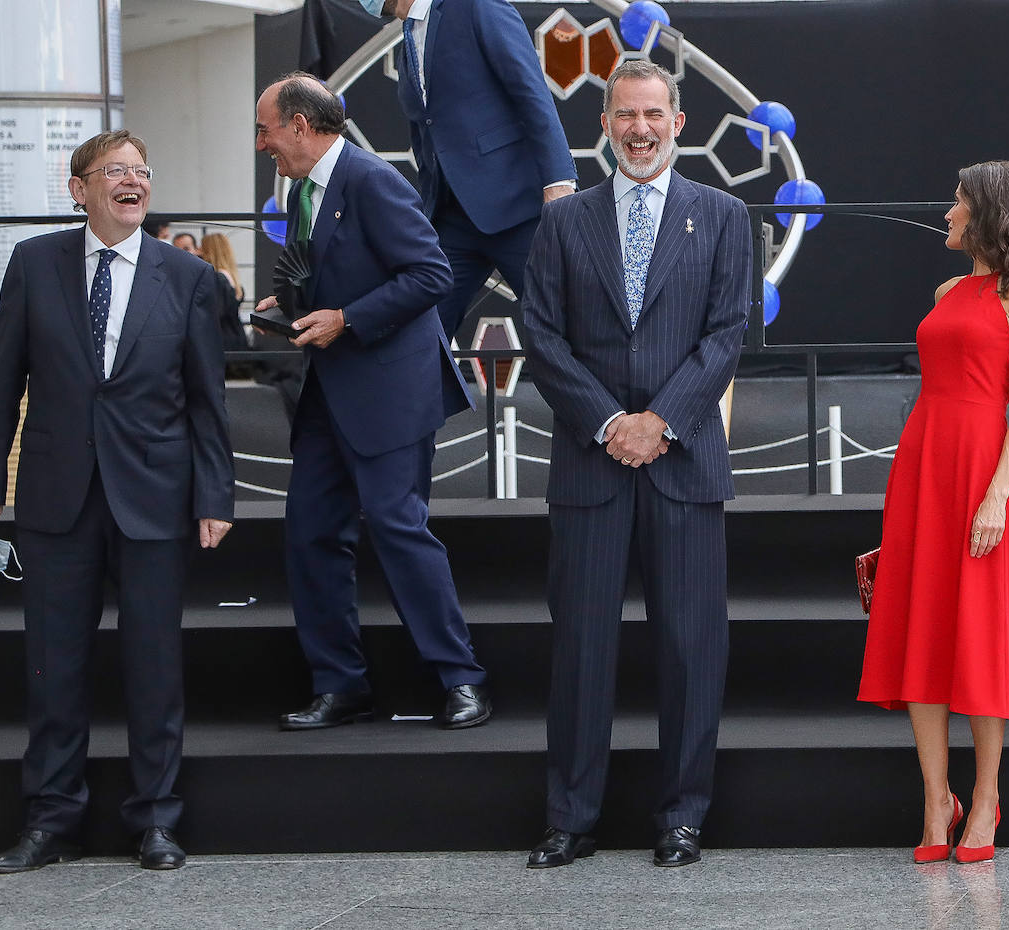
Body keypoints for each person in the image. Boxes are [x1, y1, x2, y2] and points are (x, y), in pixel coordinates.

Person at [0, 130, 235, 872]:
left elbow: (208, 401)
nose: (133, 181)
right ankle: (51, 822)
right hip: (57, 496)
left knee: (154, 664)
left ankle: (156, 819)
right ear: (78, 187)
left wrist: (215, 494)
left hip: (154, 495)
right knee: (54, 667)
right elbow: (5, 381)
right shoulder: (34, 264)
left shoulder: (186, 277)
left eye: (142, 171)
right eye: (115, 171)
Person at [522, 60, 750, 869]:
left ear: (679, 123)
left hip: (683, 464)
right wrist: (612, 422)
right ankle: (570, 818)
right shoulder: (561, 223)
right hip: (592, 466)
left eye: (654, 114)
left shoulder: (723, 216)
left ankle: (682, 817)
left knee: (692, 650)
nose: (640, 129)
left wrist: (661, 422)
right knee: (581, 649)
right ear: (606, 125)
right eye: (625, 116)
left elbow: (727, 334)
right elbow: (542, 339)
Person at [252, 73, 490, 731]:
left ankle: (461, 678)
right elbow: (325, 272)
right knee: (309, 535)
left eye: (265, 129)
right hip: (330, 395)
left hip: (389, 393)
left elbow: (432, 275)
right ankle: (341, 685)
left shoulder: (371, 179)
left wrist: (347, 319)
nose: (260, 143)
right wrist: (293, 307)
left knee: (397, 528)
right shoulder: (306, 189)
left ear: (301, 126)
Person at [857, 161, 1009, 864]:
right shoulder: (948, 289)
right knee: (923, 626)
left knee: (979, 632)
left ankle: (983, 801)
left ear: (988, 211)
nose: (947, 213)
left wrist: (997, 494)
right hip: (921, 463)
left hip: (980, 468)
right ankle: (933, 800)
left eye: (958, 202)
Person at [361, 0, 577, 339]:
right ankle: (431, 395)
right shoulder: (408, 37)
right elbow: (426, 130)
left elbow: (531, 90)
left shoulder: (476, 6)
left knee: (560, 331)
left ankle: (605, 393)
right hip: (452, 219)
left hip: (519, 209)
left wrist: (558, 181)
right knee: (421, 333)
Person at [199, 232, 251, 354]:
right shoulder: (231, 275)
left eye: (202, 248)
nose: (199, 252)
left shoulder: (218, 277)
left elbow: (217, 312)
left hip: (222, 340)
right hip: (236, 334)